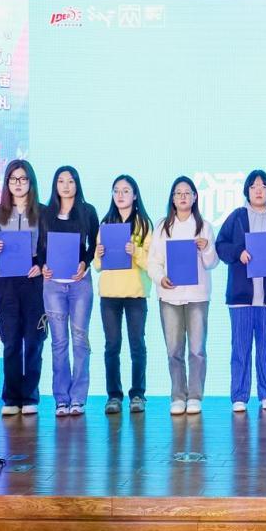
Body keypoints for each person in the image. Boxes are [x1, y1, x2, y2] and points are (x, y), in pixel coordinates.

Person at [215, 169, 266, 412]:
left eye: (263, 186)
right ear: (247, 191)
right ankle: (239, 396)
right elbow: (220, 245)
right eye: (253, 186)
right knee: (240, 347)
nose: (258, 190)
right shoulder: (237, 216)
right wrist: (238, 253)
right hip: (241, 296)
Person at [147, 176, 219, 415]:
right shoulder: (162, 226)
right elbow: (153, 262)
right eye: (178, 193)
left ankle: (195, 396)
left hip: (197, 296)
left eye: (187, 193)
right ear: (172, 198)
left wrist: (206, 248)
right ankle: (178, 396)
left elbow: (212, 263)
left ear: (195, 197)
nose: (183, 197)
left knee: (197, 350)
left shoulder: (204, 226)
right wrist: (160, 278)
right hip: (170, 296)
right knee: (173, 350)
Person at [38, 166, 98, 416]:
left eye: (70, 181)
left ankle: (78, 398)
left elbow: (94, 244)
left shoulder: (87, 211)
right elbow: (40, 246)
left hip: (80, 284)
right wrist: (42, 265)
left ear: (77, 184)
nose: (65, 185)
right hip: (53, 285)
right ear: (55, 185)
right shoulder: (45, 213)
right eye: (61, 181)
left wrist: (85, 262)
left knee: (80, 341)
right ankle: (61, 398)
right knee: (59, 342)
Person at [0, 158, 45, 415]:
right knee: (11, 341)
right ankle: (11, 398)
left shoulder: (42, 212)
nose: (18, 184)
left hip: (34, 279)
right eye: (13, 179)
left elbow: (49, 245)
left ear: (31, 182)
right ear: (7, 183)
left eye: (23, 179)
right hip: (7, 281)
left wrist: (41, 264)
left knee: (34, 340)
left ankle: (30, 396)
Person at [94, 175, 153, 415]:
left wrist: (135, 251)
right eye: (116, 190)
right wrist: (99, 254)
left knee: (137, 345)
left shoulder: (144, 224)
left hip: (136, 293)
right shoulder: (106, 223)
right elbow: (97, 265)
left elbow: (152, 263)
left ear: (135, 195)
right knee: (112, 346)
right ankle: (114, 396)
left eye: (126, 190)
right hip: (110, 294)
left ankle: (138, 394)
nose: (120, 195)